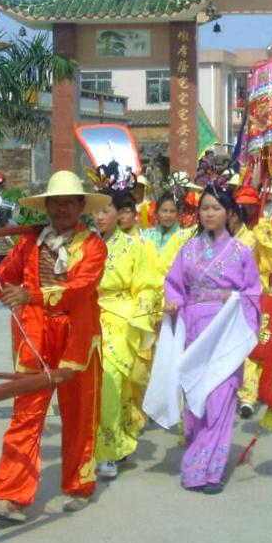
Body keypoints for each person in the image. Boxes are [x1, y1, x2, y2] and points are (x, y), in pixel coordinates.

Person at [0, 170, 107, 522]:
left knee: (80, 415)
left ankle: (79, 483)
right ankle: (10, 495)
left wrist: (31, 296)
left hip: (77, 338)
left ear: (80, 206)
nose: (62, 208)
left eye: (69, 202)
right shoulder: (29, 243)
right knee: (25, 414)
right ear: (46, 206)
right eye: (55, 202)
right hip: (35, 336)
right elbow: (3, 279)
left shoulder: (93, 246)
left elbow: (80, 289)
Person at [144, 184, 261, 494]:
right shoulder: (187, 249)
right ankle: (201, 457)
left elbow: (253, 292)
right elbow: (174, 285)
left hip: (226, 329)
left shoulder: (241, 252)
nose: (209, 213)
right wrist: (172, 302)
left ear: (229, 213)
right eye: (205, 208)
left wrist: (234, 298)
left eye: (216, 208)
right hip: (195, 329)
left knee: (221, 397)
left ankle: (208, 470)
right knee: (198, 398)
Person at [91, 191, 160, 479]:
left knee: (111, 380)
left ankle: (106, 452)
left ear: (118, 213)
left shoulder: (136, 246)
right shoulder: (85, 246)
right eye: (95, 211)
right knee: (96, 386)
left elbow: (147, 285)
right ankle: (116, 439)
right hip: (90, 318)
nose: (99, 217)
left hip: (121, 320)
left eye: (106, 210)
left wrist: (141, 318)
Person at [230, 185, 272, 419]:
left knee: (251, 346)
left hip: (252, 295)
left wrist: (264, 236)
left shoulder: (259, 230)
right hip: (225, 296)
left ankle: (248, 395)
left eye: (250, 206)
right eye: (242, 205)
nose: (246, 210)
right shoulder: (224, 231)